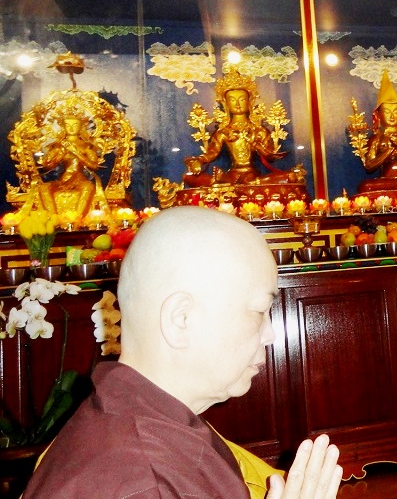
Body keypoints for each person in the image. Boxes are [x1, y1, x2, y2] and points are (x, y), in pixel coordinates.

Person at [23, 206, 343, 499]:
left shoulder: (152, 426)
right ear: (181, 319)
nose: (270, 335)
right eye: (260, 311)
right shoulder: (140, 482)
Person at [184, 70, 304, 188]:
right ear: (226, 104)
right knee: (188, 176)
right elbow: (212, 152)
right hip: (232, 174)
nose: (237, 104)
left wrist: (256, 145)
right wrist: (198, 160)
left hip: (252, 174)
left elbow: (271, 157)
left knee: (290, 176)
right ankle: (230, 183)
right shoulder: (223, 132)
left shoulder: (259, 131)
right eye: (232, 100)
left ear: (249, 102)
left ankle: (236, 184)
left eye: (242, 99)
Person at [37, 112, 103, 220]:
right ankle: (53, 218)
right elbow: (47, 166)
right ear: (63, 127)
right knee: (44, 188)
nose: (71, 128)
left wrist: (76, 152)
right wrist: (60, 154)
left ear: (81, 127)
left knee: (88, 187)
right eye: (68, 125)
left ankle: (77, 219)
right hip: (63, 179)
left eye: (75, 125)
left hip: (79, 179)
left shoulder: (87, 146)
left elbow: (94, 166)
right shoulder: (58, 145)